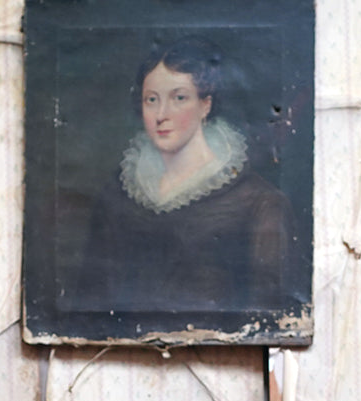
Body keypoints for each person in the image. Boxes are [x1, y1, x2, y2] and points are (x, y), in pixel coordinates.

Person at [72, 37, 295, 315]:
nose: (161, 115)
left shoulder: (260, 204)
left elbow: (267, 314)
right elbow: (89, 302)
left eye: (179, 98)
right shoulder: (117, 194)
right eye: (151, 100)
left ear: (205, 105)